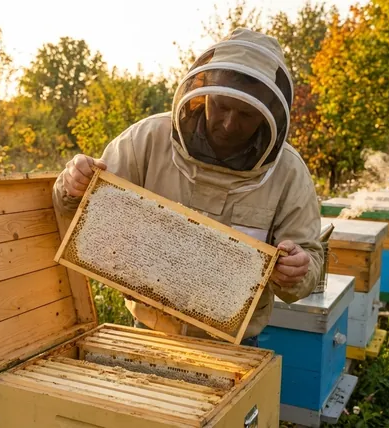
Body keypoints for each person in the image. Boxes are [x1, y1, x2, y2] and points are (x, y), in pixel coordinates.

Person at [52, 28, 323, 347]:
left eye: (247, 114)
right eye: (221, 106)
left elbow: (308, 264)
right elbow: (78, 208)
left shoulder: (289, 172)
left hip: (234, 347)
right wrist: (73, 185)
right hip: (149, 330)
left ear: (270, 112)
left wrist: (297, 270)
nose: (229, 124)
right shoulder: (147, 139)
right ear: (203, 89)